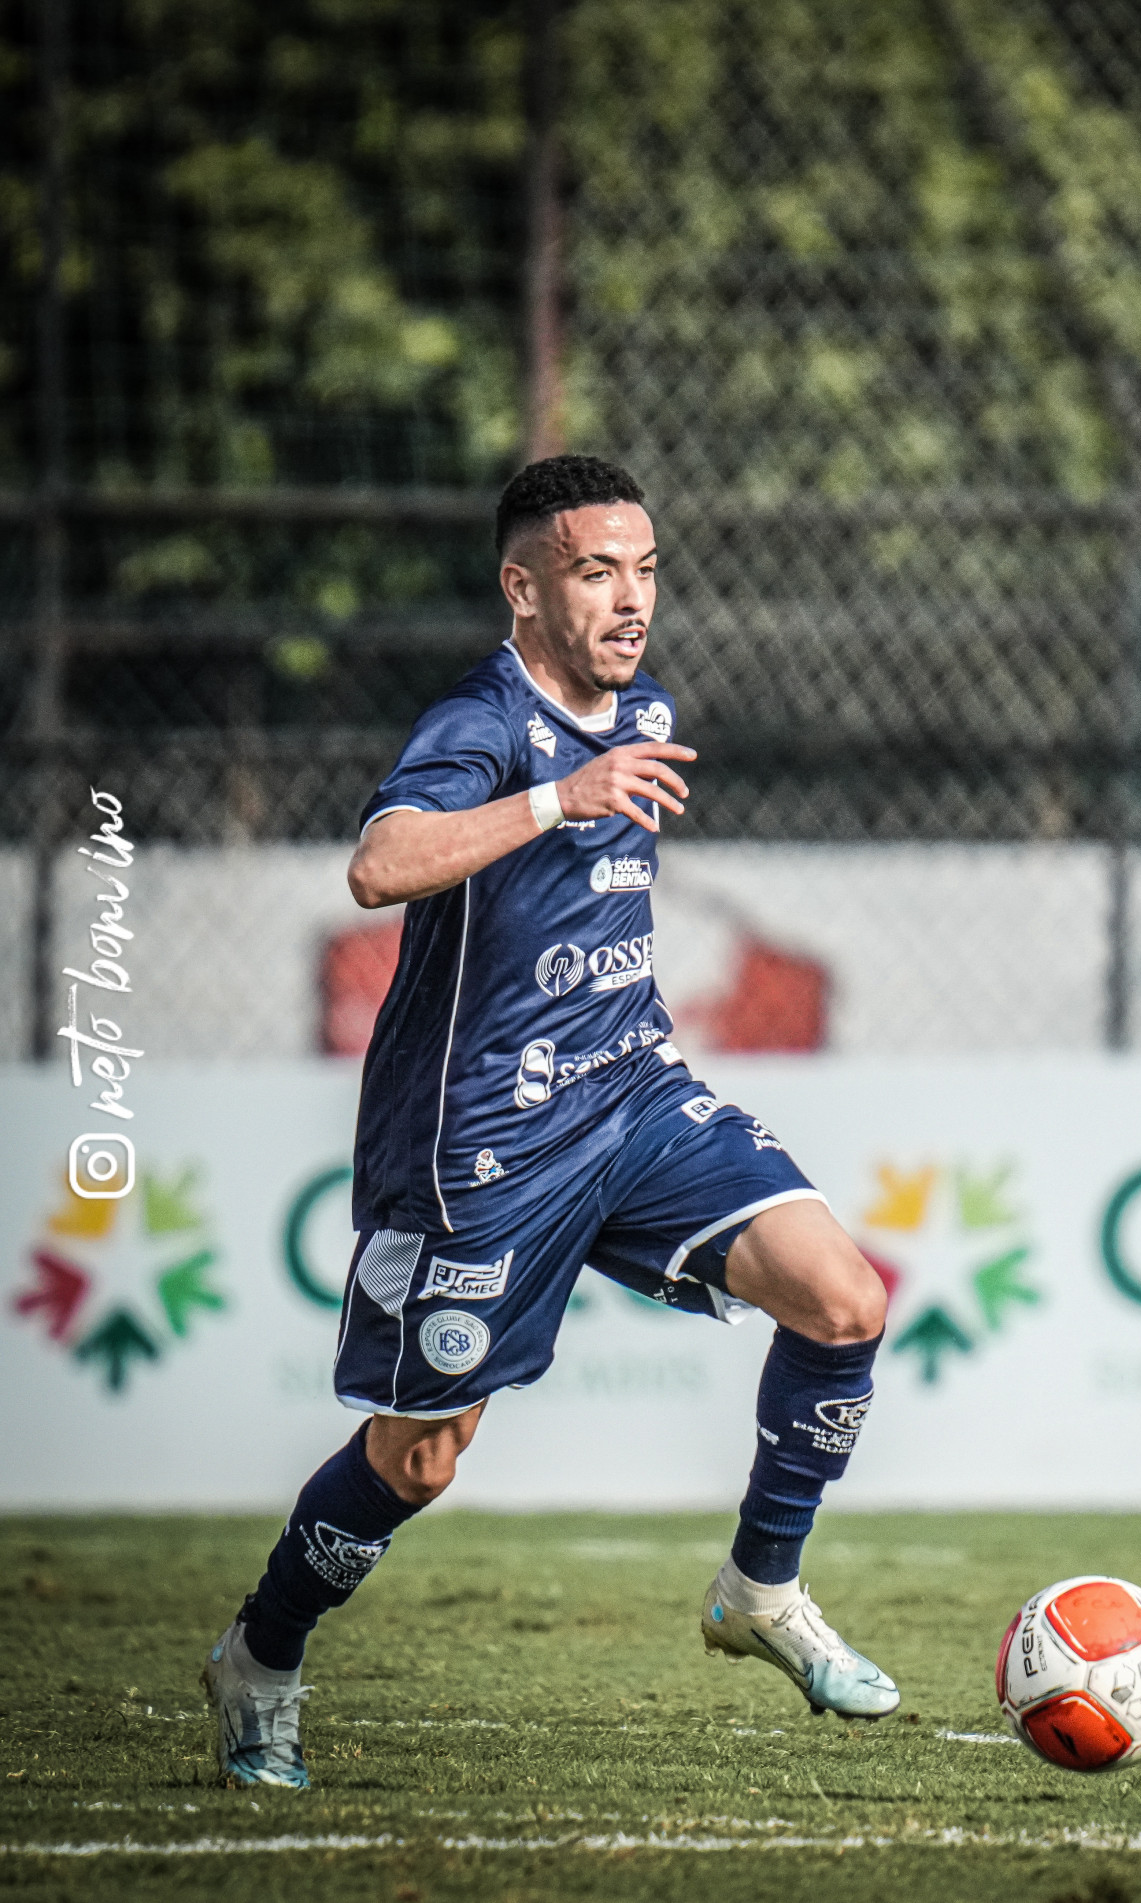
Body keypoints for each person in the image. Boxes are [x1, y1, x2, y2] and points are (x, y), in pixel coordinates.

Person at [201, 454, 898, 1790]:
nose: (631, 599)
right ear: (522, 589)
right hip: (479, 1146)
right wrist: (553, 800)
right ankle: (261, 1656)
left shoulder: (644, 708)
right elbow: (377, 865)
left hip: (632, 1095)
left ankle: (759, 1590)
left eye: (644, 569)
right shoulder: (479, 724)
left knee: (842, 1299)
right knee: (418, 1460)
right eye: (596, 571)